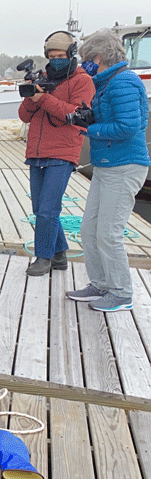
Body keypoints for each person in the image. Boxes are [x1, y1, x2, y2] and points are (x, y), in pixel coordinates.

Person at [66, 29, 150, 312]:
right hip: (107, 166)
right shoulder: (107, 83)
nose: (83, 64)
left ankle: (122, 292)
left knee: (109, 233)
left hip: (124, 167)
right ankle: (100, 283)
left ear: (98, 57)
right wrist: (91, 116)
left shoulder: (122, 82)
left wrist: (90, 127)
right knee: (90, 229)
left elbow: (129, 126)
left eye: (86, 58)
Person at [18, 31, 96, 276]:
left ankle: (43, 257)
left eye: (61, 55)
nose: (56, 59)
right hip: (37, 151)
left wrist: (44, 99)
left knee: (48, 209)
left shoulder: (83, 81)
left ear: (71, 54)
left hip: (63, 151)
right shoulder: (42, 77)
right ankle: (60, 253)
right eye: (52, 56)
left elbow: (74, 114)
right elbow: (23, 115)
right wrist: (33, 94)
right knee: (39, 207)